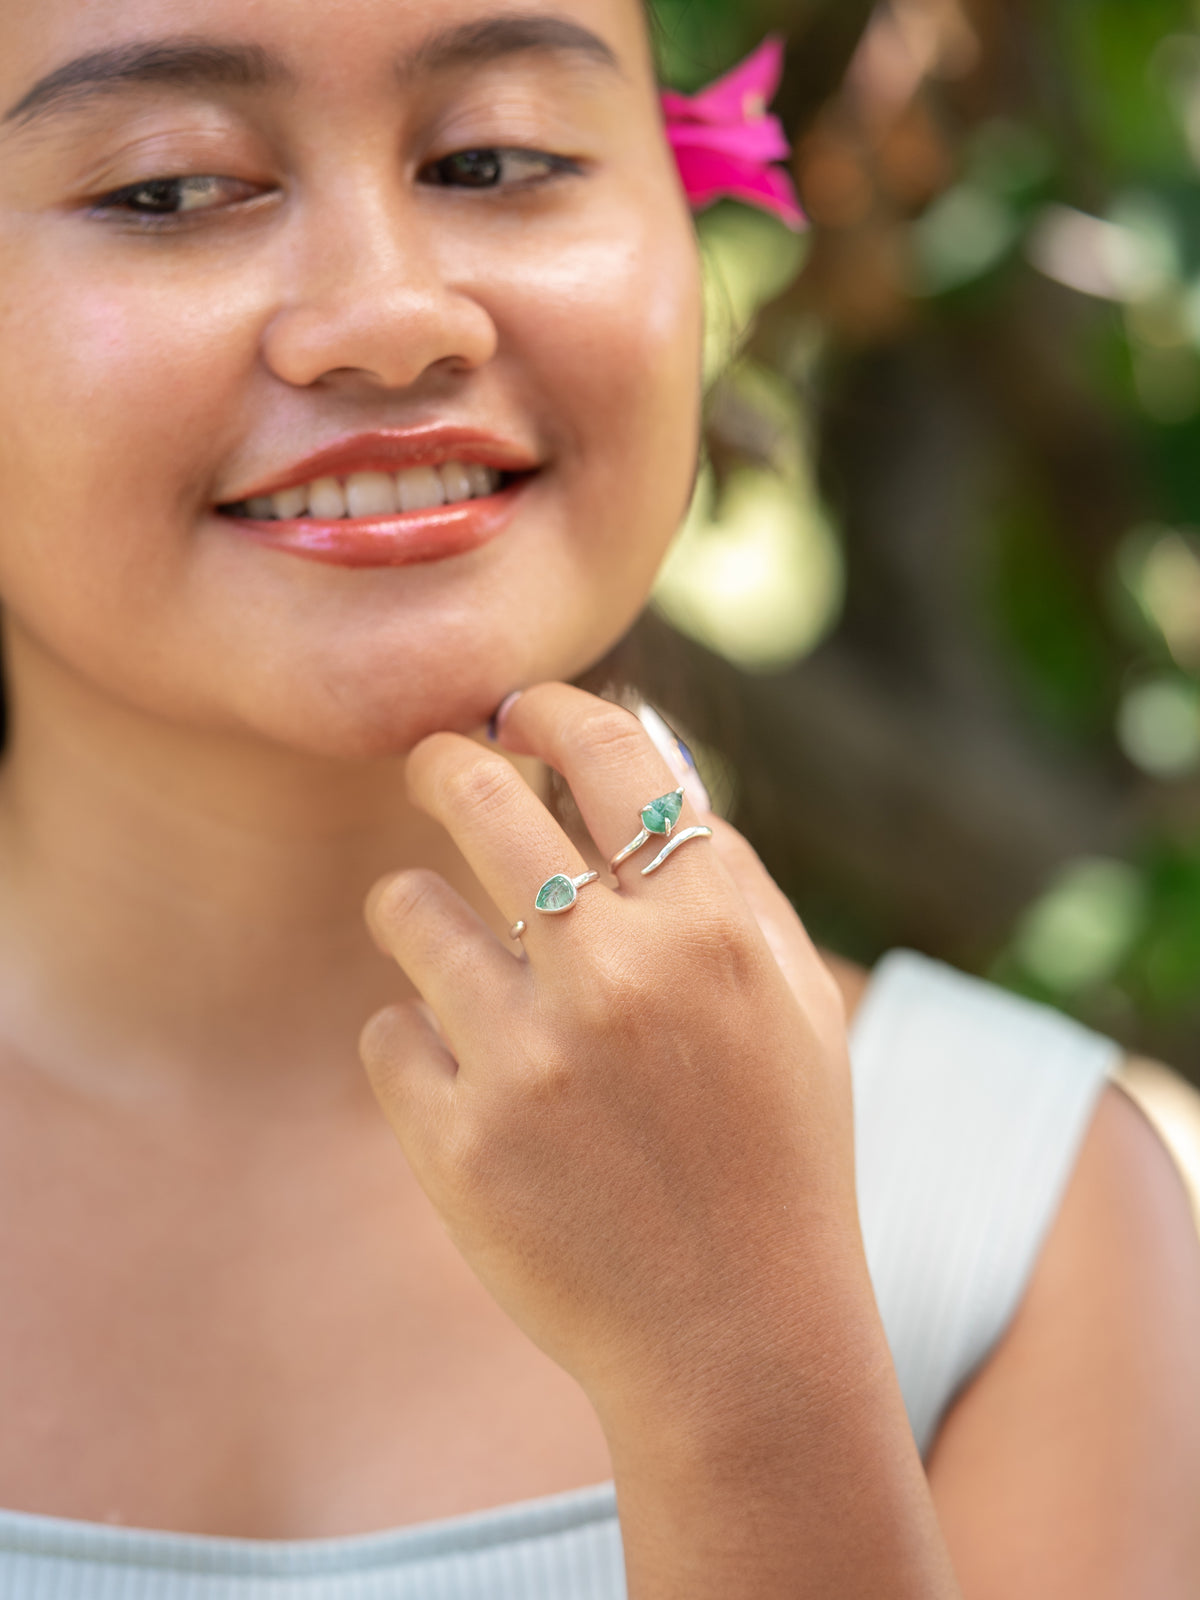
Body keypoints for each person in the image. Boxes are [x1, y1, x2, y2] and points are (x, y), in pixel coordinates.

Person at [0, 0, 1196, 1595]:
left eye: (494, 157)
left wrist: (748, 1367)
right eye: (163, 190)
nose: (391, 316)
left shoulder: (1023, 1213)